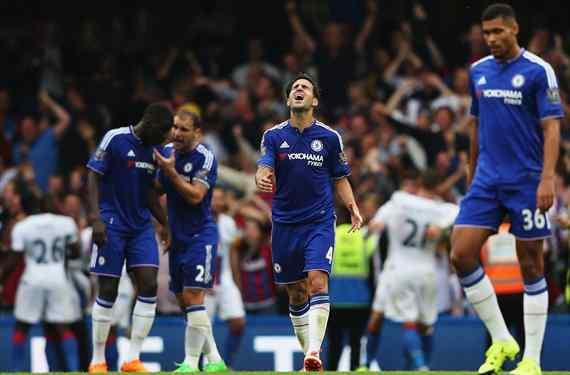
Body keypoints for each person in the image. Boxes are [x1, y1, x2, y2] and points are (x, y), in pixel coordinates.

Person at [451, 4, 563, 375]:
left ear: (515, 29)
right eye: (487, 33)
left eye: (498, 31)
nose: (492, 39)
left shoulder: (538, 71)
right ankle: (502, 339)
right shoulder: (478, 72)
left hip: (526, 181)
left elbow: (551, 129)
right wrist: (471, 174)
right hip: (486, 180)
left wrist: (548, 178)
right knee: (461, 253)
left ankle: (531, 359)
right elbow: (475, 126)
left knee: (532, 264)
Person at [256, 72, 363, 371]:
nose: (298, 90)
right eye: (294, 88)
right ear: (289, 99)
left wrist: (352, 206)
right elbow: (263, 165)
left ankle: (314, 352)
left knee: (317, 281)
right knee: (296, 292)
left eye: (305, 87)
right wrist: (261, 176)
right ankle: (309, 358)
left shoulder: (329, 138)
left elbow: (340, 177)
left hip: (318, 222)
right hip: (284, 224)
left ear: (314, 100)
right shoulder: (273, 136)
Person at [86, 103, 173, 373]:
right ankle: (97, 360)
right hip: (111, 223)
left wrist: (165, 223)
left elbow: (148, 194)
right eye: (163, 134)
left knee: (148, 285)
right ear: (151, 125)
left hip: (140, 227)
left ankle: (132, 359)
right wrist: (95, 217)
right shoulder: (115, 138)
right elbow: (92, 176)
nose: (164, 140)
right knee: (108, 290)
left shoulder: (154, 150)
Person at [153, 107, 227, 372]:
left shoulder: (205, 158)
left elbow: (195, 196)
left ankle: (190, 364)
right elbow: (155, 191)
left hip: (200, 236)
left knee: (194, 297)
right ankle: (216, 360)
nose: (176, 133)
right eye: (174, 127)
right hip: (178, 238)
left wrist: (171, 172)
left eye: (183, 129)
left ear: (197, 132)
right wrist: (164, 225)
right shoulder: (168, 155)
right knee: (186, 303)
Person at [366, 171, 459, 370]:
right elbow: (458, 211)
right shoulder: (442, 210)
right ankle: (418, 365)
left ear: (418, 184)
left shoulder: (399, 201)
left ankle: (418, 366)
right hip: (427, 272)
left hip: (398, 270)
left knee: (407, 321)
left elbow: (376, 225)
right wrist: (442, 227)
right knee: (425, 325)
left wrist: (376, 225)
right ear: (439, 188)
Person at [7, 194, 81, 372]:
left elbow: (15, 258)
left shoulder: (23, 226)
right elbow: (76, 252)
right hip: (57, 279)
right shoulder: (66, 223)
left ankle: (16, 370)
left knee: (22, 326)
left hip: (32, 279)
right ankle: (74, 369)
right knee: (63, 328)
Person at [205, 187, 246, 368]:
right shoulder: (198, 220)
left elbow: (233, 255)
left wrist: (237, 284)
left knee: (238, 322)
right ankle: (197, 365)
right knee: (201, 328)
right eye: (214, 198)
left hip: (225, 278)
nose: (217, 202)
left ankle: (227, 364)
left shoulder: (228, 222)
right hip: (203, 280)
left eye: (221, 199)